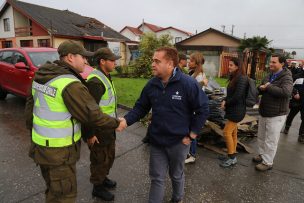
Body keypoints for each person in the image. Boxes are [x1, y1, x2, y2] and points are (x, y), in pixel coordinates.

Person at [25, 40, 122, 203]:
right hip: (59, 153)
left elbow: (29, 111)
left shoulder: (42, 75)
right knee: (63, 196)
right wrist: (117, 123)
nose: (85, 61)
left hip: (41, 148)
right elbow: (92, 115)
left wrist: (35, 134)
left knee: (53, 190)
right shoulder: (69, 83)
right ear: (70, 57)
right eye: (83, 57)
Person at [119, 47, 209, 203]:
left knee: (176, 175)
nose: (152, 64)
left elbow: (203, 109)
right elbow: (141, 107)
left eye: (156, 61)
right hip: (157, 141)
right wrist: (126, 120)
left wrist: (192, 134)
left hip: (179, 142)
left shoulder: (188, 84)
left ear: (170, 63)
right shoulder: (152, 85)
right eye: (153, 60)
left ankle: (177, 198)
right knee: (157, 178)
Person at [83, 47, 121, 201]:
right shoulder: (95, 82)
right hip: (98, 129)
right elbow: (88, 112)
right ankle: (97, 187)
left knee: (109, 155)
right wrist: (90, 134)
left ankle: (103, 177)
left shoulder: (105, 76)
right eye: (112, 60)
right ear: (102, 61)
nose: (115, 62)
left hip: (108, 127)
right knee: (99, 157)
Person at [252, 54, 293, 171]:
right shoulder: (269, 75)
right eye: (271, 62)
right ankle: (262, 155)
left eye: (274, 62)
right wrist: (261, 88)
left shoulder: (287, 77)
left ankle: (268, 162)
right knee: (261, 136)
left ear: (282, 63)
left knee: (271, 139)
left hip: (277, 114)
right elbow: (261, 86)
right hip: (264, 111)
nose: (271, 64)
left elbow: (286, 92)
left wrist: (268, 87)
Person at [220, 58, 247, 167]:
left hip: (237, 110)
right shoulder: (235, 77)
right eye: (229, 65)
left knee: (226, 132)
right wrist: (225, 99)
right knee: (233, 133)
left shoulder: (242, 78)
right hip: (234, 109)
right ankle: (232, 154)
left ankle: (232, 158)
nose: (229, 67)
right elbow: (232, 94)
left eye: (231, 65)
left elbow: (237, 96)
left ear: (237, 66)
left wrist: (226, 103)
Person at [185, 51, 208, 164]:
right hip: (190, 107)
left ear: (197, 63)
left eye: (192, 60)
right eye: (189, 59)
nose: (189, 62)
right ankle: (188, 152)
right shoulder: (192, 73)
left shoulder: (199, 76)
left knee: (192, 131)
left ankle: (192, 155)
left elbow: (196, 92)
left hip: (195, 108)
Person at [282, 71, 304, 143]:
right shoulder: (297, 76)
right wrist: (295, 93)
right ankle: (287, 127)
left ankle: (302, 135)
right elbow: (290, 86)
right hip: (296, 101)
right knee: (291, 115)